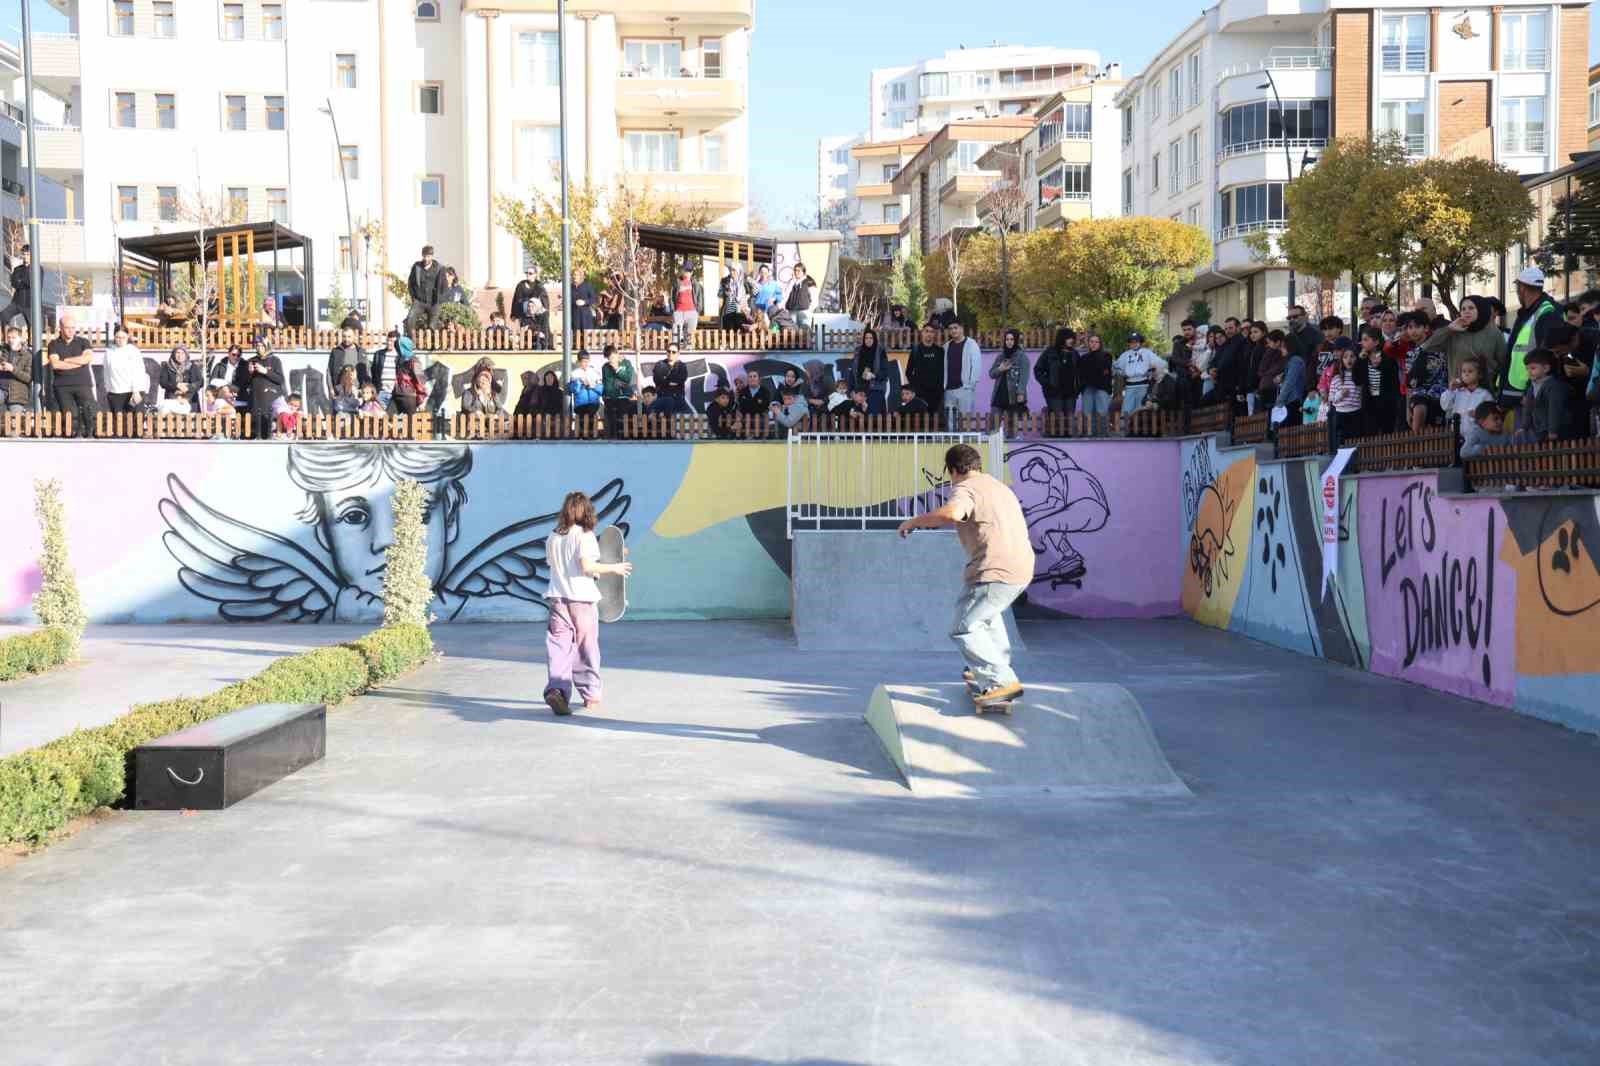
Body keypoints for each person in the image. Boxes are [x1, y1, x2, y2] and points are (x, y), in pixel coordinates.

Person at [896, 443, 1034, 706]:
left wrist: (913, 521)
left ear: (952, 470)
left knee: (964, 627)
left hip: (993, 568)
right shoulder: (998, 486)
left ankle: (1000, 680)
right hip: (1021, 567)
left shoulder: (965, 488)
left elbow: (952, 513)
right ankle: (987, 669)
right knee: (986, 616)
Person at [542, 490, 632, 717]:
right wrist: (615, 568)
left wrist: (608, 556)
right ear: (587, 511)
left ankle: (557, 690)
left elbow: (559, 565)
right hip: (581, 600)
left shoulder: (553, 536)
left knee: (559, 649)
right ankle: (590, 695)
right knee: (586, 649)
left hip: (557, 600)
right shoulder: (585, 535)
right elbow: (586, 566)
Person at [1500, 266, 1562, 420]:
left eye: (1517, 287)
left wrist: (1532, 391)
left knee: (1529, 442)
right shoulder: (1529, 313)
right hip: (1521, 394)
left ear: (1522, 288)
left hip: (1532, 397)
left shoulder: (1546, 312)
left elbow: (1546, 356)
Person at [46, 313, 96, 438]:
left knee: (88, 411)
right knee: (69, 415)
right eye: (68, 328)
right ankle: (72, 438)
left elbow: (87, 358)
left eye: (73, 328)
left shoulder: (83, 342)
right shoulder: (53, 344)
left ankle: (91, 435)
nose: (71, 330)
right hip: (63, 386)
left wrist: (67, 360)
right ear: (61, 328)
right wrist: (77, 362)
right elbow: (56, 364)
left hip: (83, 383)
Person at [1515, 349, 1573, 443]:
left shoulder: (1554, 386)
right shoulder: (1532, 386)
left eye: (1533, 368)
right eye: (1527, 369)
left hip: (1558, 430)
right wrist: (1524, 426)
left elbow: (1555, 409)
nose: (1529, 372)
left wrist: (1553, 431)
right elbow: (1528, 406)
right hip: (1541, 429)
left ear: (1546, 368)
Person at [240, 341, 285, 439]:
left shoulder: (275, 360)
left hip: (270, 398)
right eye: (257, 345)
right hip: (256, 398)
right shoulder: (251, 361)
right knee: (256, 423)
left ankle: (269, 437)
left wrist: (265, 371)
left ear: (267, 346)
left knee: (268, 420)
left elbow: (280, 379)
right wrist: (249, 372)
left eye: (262, 346)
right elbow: (244, 382)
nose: (259, 348)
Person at [1326, 344, 1365, 450]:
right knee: (1341, 442)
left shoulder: (1359, 377)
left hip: (1356, 413)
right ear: (1342, 360)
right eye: (1346, 357)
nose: (1349, 359)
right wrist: (1340, 394)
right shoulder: (1336, 378)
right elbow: (1331, 398)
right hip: (1340, 414)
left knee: (1356, 441)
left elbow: (1362, 396)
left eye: (1352, 356)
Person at [1439, 356, 1494, 431]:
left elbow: (1491, 415)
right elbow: (1445, 406)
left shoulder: (1485, 395)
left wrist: (1478, 414)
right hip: (1456, 435)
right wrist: (1450, 390)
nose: (1466, 374)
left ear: (1480, 375)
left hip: (1476, 437)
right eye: (1463, 371)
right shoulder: (1457, 392)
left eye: (1470, 371)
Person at [1114, 332, 1165, 412]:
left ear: (1140, 342)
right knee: (1126, 409)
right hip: (1129, 385)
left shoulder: (1147, 352)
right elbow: (1116, 367)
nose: (1134, 343)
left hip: (1143, 384)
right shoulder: (1125, 355)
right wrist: (1123, 373)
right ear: (1129, 343)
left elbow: (1160, 363)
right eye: (1131, 341)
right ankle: (1124, 424)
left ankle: (1139, 424)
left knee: (1141, 409)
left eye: (1136, 341)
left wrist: (1153, 373)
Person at [943, 320, 982, 422]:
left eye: (955, 328)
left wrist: (970, 385)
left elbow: (976, 365)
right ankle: (951, 438)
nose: (953, 331)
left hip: (964, 389)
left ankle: (964, 438)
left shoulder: (971, 344)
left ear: (961, 328)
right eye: (951, 329)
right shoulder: (946, 346)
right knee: (950, 422)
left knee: (965, 421)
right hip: (948, 390)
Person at [103, 325, 145, 415]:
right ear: (114, 337)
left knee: (135, 422)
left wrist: (136, 391)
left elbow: (139, 372)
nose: (120, 340)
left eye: (123, 337)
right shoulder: (109, 352)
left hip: (133, 392)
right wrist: (108, 389)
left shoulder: (133, 351)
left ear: (127, 337)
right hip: (115, 393)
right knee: (119, 424)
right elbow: (106, 371)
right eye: (118, 337)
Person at [906, 323, 948, 412]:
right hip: (920, 394)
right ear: (922, 333)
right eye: (927, 331)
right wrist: (915, 387)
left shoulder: (940, 351)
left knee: (934, 421)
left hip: (936, 394)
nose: (929, 333)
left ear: (934, 334)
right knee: (920, 421)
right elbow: (908, 372)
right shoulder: (916, 350)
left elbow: (943, 371)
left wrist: (940, 389)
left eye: (932, 332)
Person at [989, 328, 1031, 415]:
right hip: (999, 395)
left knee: (1011, 426)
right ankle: (995, 429)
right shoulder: (1001, 356)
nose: (1009, 342)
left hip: (1013, 397)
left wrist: (1021, 393)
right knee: (994, 424)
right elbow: (991, 374)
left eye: (1012, 339)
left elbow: (1024, 378)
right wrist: (1000, 369)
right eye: (1007, 339)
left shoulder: (1022, 357)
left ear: (1016, 341)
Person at [406, 245, 444, 334]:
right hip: (419, 302)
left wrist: (439, 300)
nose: (426, 259)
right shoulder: (417, 267)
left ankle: (433, 346)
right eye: (424, 256)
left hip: (433, 303)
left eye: (428, 256)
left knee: (432, 327)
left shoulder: (439, 268)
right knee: (409, 320)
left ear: (432, 256)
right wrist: (413, 298)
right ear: (422, 256)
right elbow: (410, 282)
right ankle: (411, 343)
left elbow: (443, 286)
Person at [851, 327, 890, 414]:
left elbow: (885, 372)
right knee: (859, 418)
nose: (868, 340)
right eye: (866, 338)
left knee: (873, 417)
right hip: (860, 389)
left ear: (874, 339)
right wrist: (852, 390)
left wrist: (874, 375)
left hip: (876, 389)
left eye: (871, 338)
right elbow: (853, 371)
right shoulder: (858, 351)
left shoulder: (880, 351)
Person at [601, 344, 637, 436]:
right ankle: (611, 438)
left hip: (623, 397)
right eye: (608, 358)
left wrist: (617, 369)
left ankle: (624, 439)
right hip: (610, 398)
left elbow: (627, 378)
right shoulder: (605, 367)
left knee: (623, 420)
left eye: (612, 357)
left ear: (617, 353)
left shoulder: (626, 363)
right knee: (611, 421)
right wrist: (605, 395)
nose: (611, 360)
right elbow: (606, 383)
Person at [1076, 333, 1113, 422]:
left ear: (1100, 344)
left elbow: (1105, 371)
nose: (1094, 344)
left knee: (1102, 412)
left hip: (1102, 388)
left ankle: (1102, 434)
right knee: (1088, 413)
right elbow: (1080, 374)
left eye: (1097, 342)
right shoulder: (1083, 358)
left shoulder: (1106, 356)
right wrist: (1082, 387)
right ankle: (1089, 434)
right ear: (1088, 343)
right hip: (1087, 388)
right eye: (1092, 341)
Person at [0, 324, 32, 420]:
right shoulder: (3, 351)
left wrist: (12, 369)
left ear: (20, 339)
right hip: (1, 389)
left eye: (14, 337)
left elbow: (28, 378)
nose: (10, 340)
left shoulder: (27, 355)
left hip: (17, 393)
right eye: (9, 337)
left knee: (14, 427)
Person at [649, 342, 690, 414]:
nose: (670, 353)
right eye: (669, 351)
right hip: (662, 399)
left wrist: (665, 380)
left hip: (677, 400)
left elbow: (681, 379)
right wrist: (670, 382)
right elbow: (657, 380)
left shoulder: (682, 366)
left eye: (673, 352)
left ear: (678, 353)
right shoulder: (660, 364)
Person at [159, 345, 203, 412]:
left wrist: (188, 387)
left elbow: (200, 382)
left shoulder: (193, 367)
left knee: (191, 421)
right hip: (172, 400)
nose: (180, 355)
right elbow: (163, 382)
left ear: (186, 355)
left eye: (182, 353)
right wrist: (177, 385)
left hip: (190, 400)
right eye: (177, 353)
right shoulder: (167, 367)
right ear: (173, 354)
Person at [389, 344, 428, 416]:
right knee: (387, 418)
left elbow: (420, 381)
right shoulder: (398, 359)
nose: (397, 349)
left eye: (398, 347)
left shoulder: (414, 361)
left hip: (409, 396)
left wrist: (421, 400)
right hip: (397, 394)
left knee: (411, 423)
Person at [1, 245, 32, 334]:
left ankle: (31, 345)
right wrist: (23, 282)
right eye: (24, 254)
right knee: (3, 316)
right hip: (17, 302)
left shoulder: (37, 269)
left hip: (30, 303)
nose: (25, 256)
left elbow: (32, 283)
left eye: (28, 254)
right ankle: (5, 342)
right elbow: (14, 283)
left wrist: (21, 281)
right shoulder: (17, 269)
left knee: (32, 324)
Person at [670, 265, 702, 348]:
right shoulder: (677, 282)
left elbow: (699, 297)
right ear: (682, 271)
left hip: (692, 312)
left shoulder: (695, 283)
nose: (687, 273)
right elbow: (672, 297)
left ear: (692, 272)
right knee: (676, 335)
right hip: (679, 312)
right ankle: (675, 352)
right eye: (686, 271)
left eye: (689, 271)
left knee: (690, 336)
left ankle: (689, 352)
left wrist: (697, 310)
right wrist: (673, 310)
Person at [568, 349, 602, 418]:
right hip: (580, 405)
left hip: (594, 405)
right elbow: (574, 390)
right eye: (584, 362)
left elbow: (601, 390)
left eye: (587, 361)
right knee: (582, 425)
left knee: (593, 425)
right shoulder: (574, 374)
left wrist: (593, 386)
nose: (586, 363)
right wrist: (580, 382)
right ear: (579, 362)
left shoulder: (594, 372)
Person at [786, 263, 816, 330]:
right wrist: (792, 281)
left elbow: (814, 299)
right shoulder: (792, 282)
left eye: (798, 271)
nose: (796, 272)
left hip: (804, 312)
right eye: (795, 270)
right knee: (793, 334)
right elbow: (786, 294)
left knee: (805, 335)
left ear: (803, 272)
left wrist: (809, 310)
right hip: (792, 312)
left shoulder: (809, 282)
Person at [569, 270, 598, 334]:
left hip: (585, 318)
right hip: (574, 317)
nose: (574, 277)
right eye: (573, 275)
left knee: (587, 339)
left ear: (581, 276)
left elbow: (594, 299)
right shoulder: (569, 287)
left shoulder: (587, 286)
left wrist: (584, 302)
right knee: (575, 340)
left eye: (576, 275)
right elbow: (567, 300)